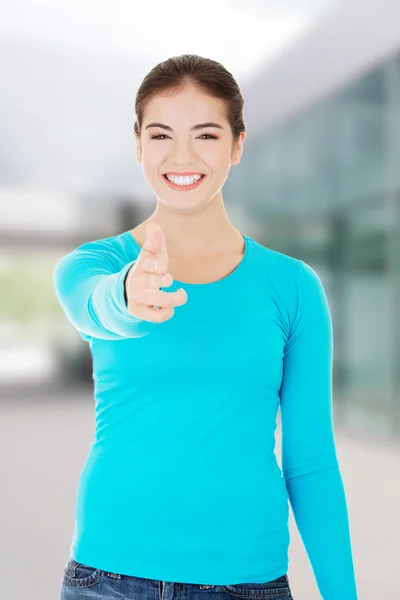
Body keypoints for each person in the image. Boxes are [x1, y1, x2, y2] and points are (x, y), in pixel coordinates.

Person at [54, 54, 358, 600]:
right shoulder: (95, 266)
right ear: (139, 144)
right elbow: (90, 305)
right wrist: (126, 295)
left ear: (239, 144)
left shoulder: (292, 288)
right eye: (162, 134)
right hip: (107, 581)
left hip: (249, 584)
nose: (183, 156)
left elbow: (310, 464)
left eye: (207, 134)